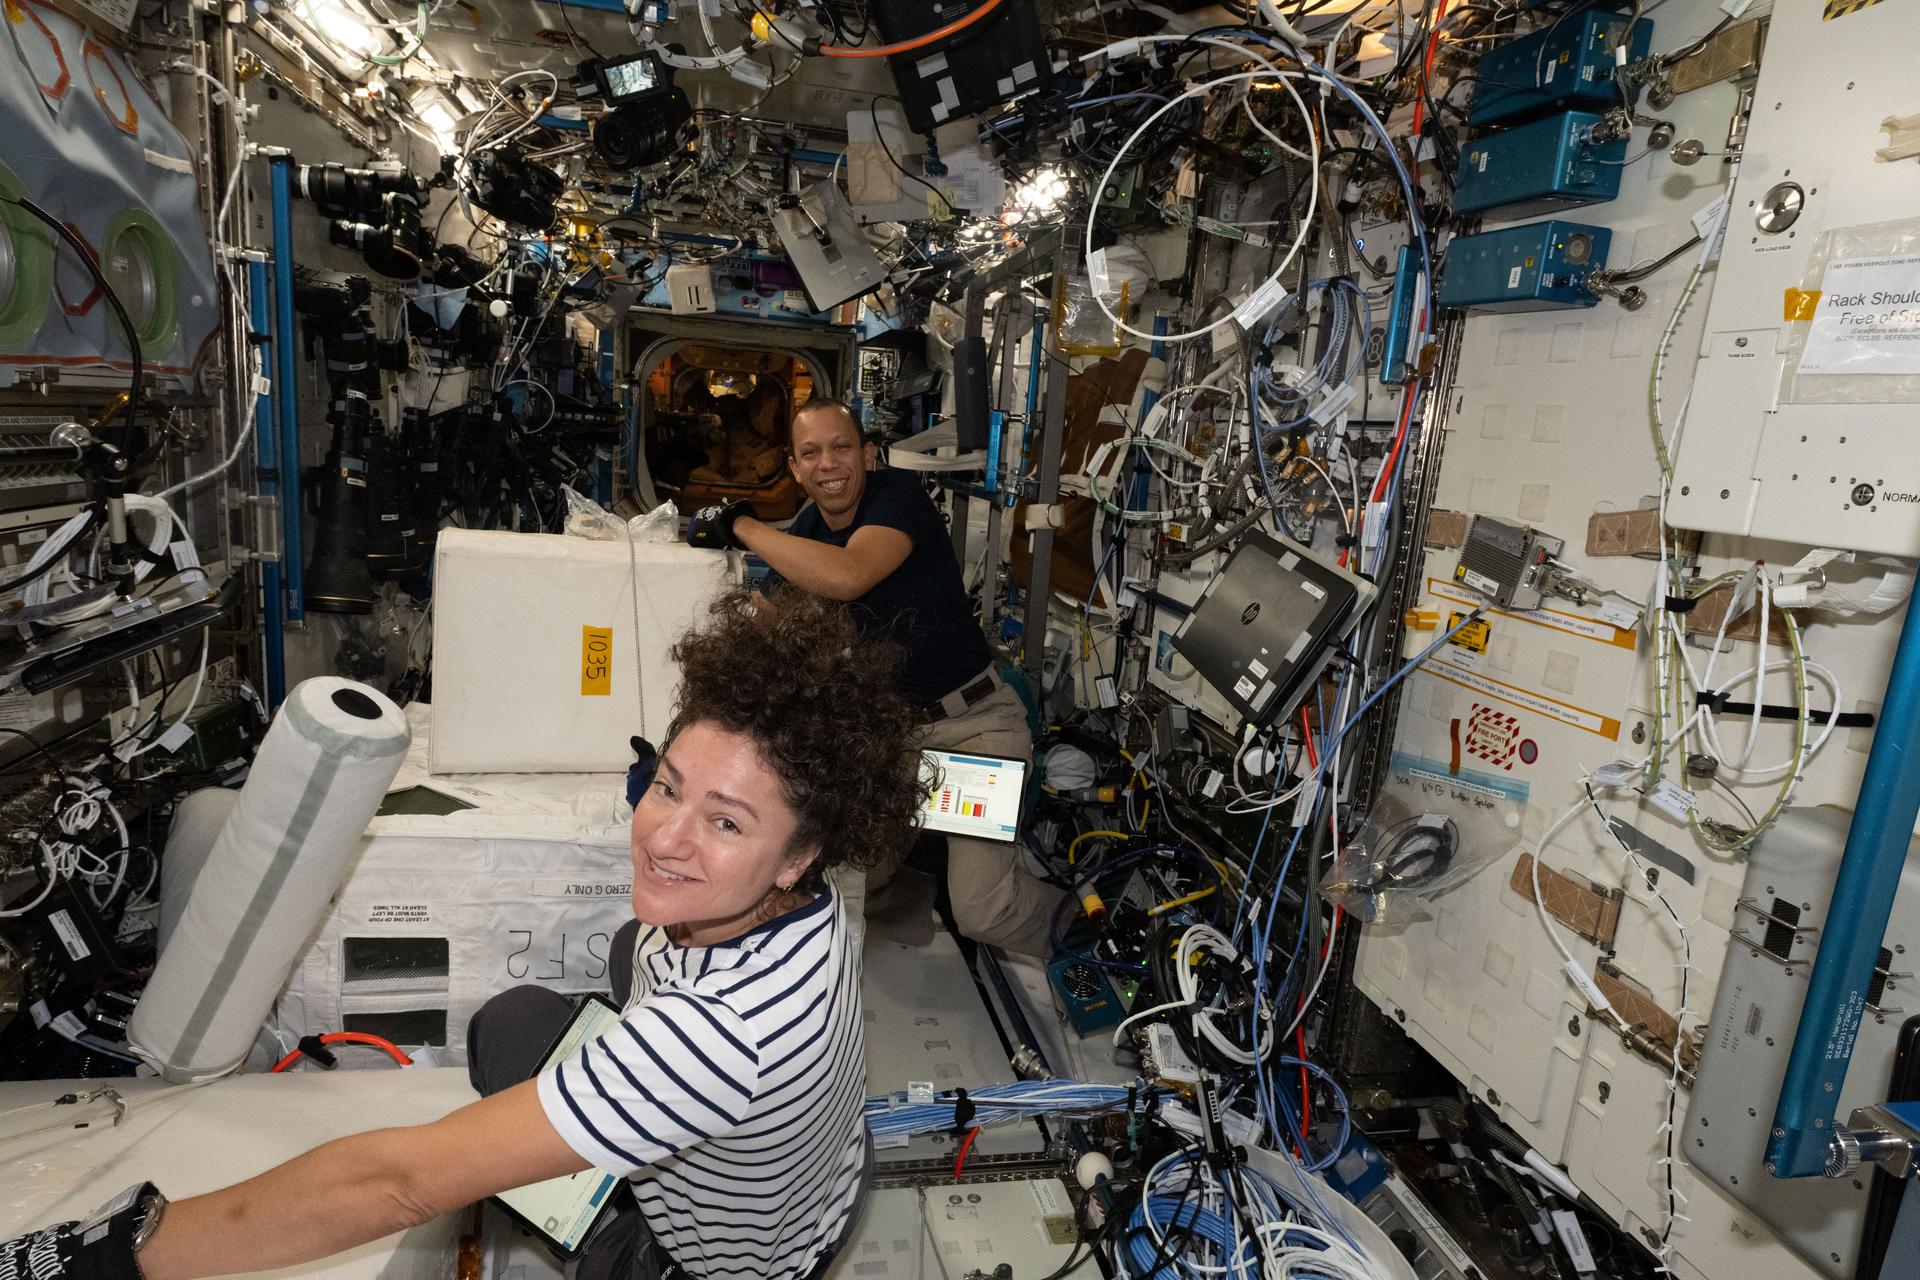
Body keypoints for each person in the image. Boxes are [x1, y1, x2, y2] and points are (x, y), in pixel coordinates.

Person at [2, 588, 926, 1280]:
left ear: (802, 853)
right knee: (517, 1017)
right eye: (669, 786)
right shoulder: (809, 908)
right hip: (821, 1189)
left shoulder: (709, 1041)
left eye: (726, 822)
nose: (663, 837)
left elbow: (397, 1184)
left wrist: (115, 1251)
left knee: (522, 1066)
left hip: (717, 1260)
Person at [686, 397, 1064, 957]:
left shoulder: (898, 499)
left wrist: (739, 524)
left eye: (841, 447)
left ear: (867, 455)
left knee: (984, 909)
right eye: (810, 453)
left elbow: (849, 575)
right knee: (852, 872)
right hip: (891, 737)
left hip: (971, 729)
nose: (828, 464)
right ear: (794, 468)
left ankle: (1092, 939)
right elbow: (770, 617)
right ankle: (912, 906)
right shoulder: (810, 527)